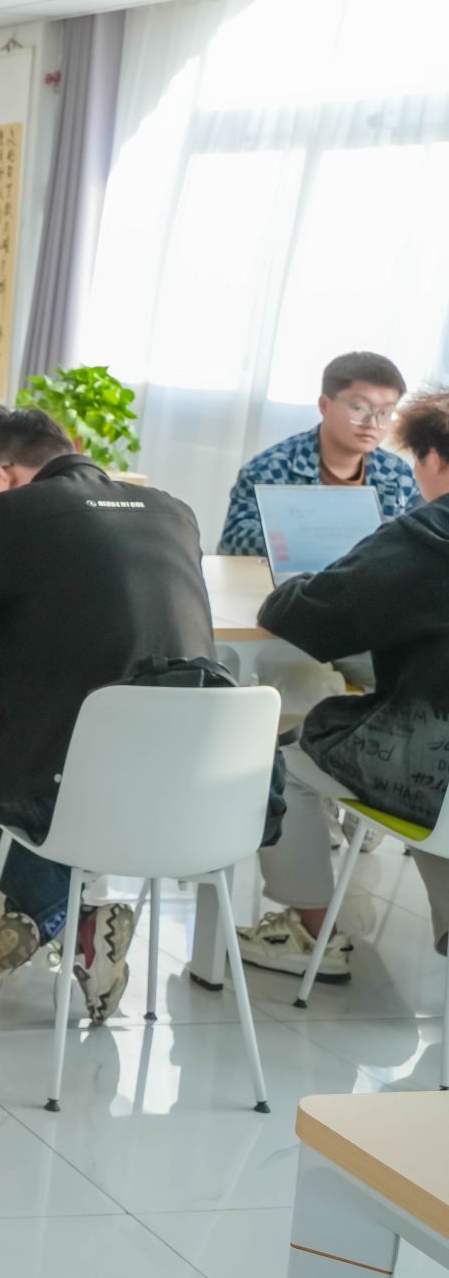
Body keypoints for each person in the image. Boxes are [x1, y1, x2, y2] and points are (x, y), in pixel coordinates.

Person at [0, 408, 211, 1020]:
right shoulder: (173, 511)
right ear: (73, 447)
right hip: (189, 785)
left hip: (71, 779)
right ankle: (73, 920)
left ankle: (65, 915)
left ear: (0, 477)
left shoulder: (8, 515)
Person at [242, 389, 449, 972]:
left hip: (429, 765)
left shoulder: (427, 536)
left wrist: (300, 582)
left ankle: (313, 936)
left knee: (278, 765)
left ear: (434, 459)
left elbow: (307, 616)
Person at [218, 352, 419, 557]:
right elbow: (233, 543)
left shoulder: (398, 474)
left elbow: (414, 546)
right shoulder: (269, 469)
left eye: (385, 413)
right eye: (358, 408)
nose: (373, 424)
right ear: (324, 405)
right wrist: (309, 537)